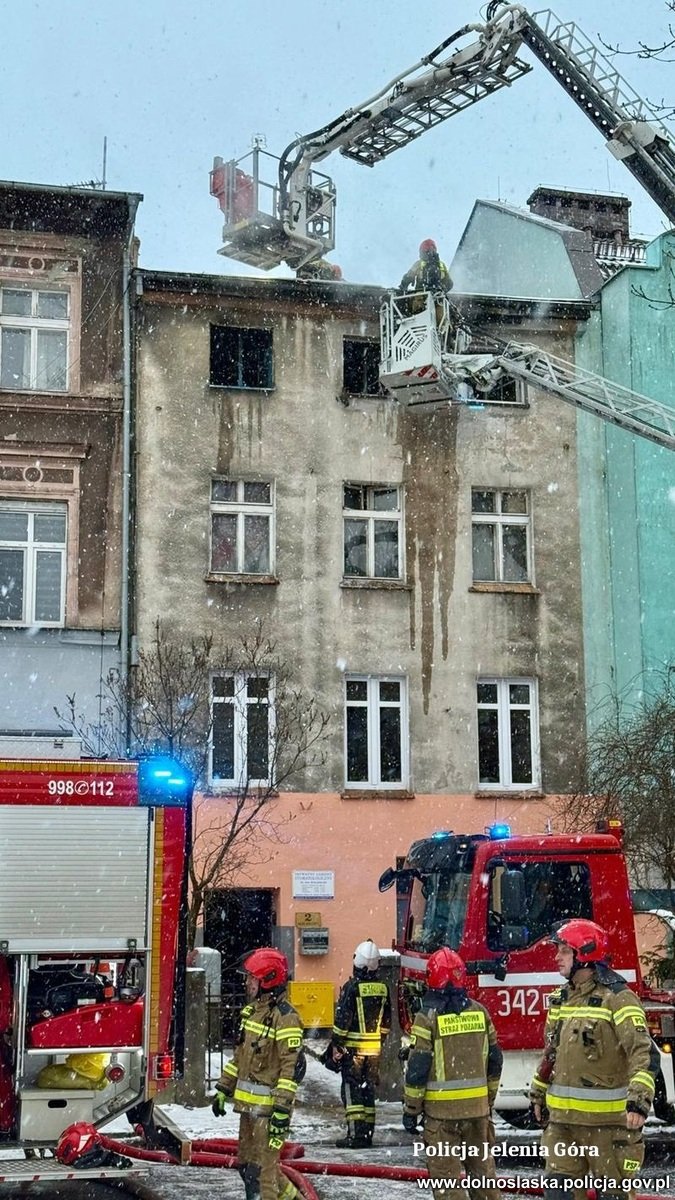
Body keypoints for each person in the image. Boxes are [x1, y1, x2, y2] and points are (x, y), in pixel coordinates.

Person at [530, 919, 658, 1199]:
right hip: (563, 1126)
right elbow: (552, 1051)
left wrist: (638, 1102)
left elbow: (643, 1052)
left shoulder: (618, 999)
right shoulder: (561, 998)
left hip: (608, 1127)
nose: (557, 957)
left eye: (564, 950)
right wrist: (538, 1090)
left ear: (584, 954)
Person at [402, 946, 502, 1200]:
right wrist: (487, 1100)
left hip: (441, 1117)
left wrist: (411, 1109)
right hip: (478, 1114)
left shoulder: (427, 1018)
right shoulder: (480, 1012)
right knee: (484, 1180)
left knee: (448, 1185)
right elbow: (495, 1060)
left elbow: (417, 1069)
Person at [211, 947, 305, 1200]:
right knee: (248, 1167)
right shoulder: (253, 1013)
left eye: (252, 978)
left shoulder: (286, 1018)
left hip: (269, 1112)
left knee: (264, 1174)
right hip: (248, 1110)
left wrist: (281, 1111)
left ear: (268, 980)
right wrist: (223, 1088)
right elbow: (239, 1058)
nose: (247, 983)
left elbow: (289, 1070)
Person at [328, 939, 391, 1149]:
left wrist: (336, 1044)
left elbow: (342, 1020)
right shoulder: (383, 988)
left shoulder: (352, 987)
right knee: (367, 1091)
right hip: (374, 1051)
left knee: (352, 1091)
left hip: (353, 1051)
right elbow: (387, 1023)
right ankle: (368, 1134)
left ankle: (355, 1136)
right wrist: (379, 1041)